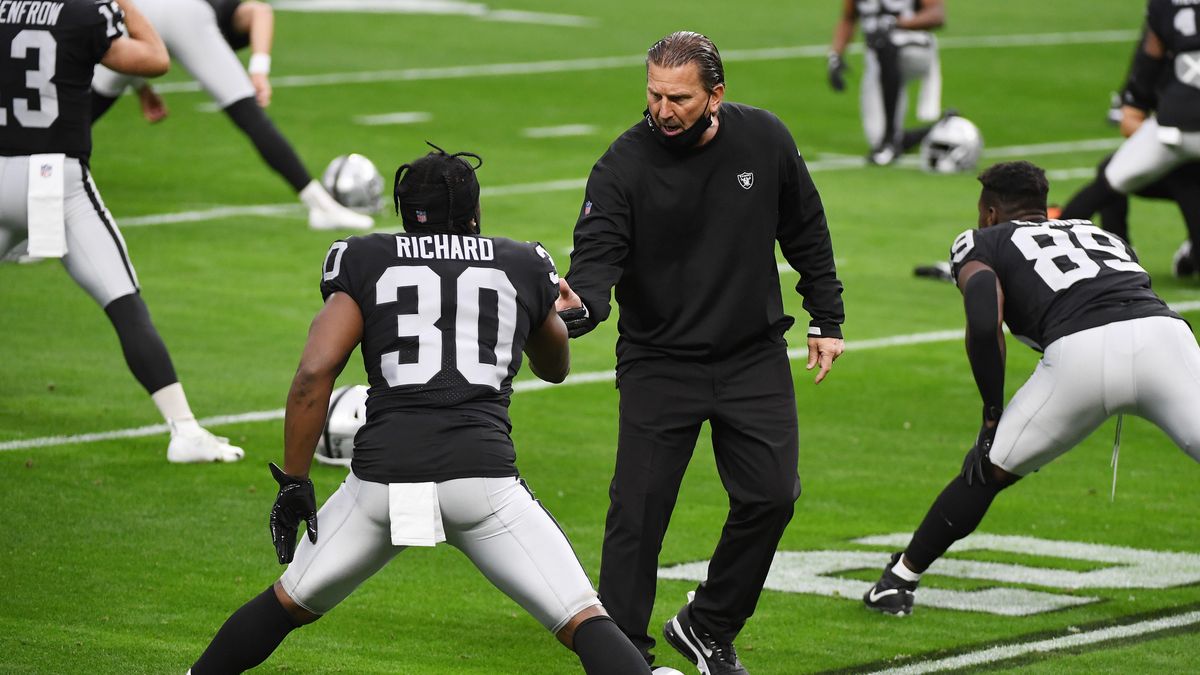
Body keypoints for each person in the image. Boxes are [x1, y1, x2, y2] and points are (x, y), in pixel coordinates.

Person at [188, 146, 652, 675]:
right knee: (584, 619)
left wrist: (295, 480)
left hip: (384, 484)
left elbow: (314, 373)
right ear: (476, 215)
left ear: (406, 216)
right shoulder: (523, 262)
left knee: (286, 603)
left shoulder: (363, 258)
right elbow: (554, 366)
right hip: (482, 483)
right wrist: (548, 312)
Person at [556, 31, 846, 675]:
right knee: (638, 512)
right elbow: (597, 260)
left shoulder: (764, 139)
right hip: (659, 363)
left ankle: (707, 625)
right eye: (654, 94)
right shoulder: (622, 166)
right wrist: (578, 310)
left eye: (679, 97)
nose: (663, 109)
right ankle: (623, 654)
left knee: (772, 495)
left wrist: (826, 315)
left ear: (717, 94)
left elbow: (806, 228)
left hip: (752, 357)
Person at [863, 161, 1200, 616]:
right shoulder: (1104, 236)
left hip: (1083, 351)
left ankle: (898, 581)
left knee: (990, 468)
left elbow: (985, 324)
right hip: (1165, 336)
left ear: (989, 212)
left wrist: (991, 414)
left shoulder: (981, 240)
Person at [0, 0, 243, 464]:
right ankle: (184, 430)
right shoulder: (81, 12)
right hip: (57, 178)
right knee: (124, 302)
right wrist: (126, 5)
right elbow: (155, 59)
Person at [88, 0, 373, 231]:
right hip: (185, 14)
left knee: (79, 116)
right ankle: (322, 207)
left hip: (134, 11)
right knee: (251, 117)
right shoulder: (225, 11)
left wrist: (142, 90)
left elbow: (144, 41)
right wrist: (259, 69)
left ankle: (45, 199)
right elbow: (260, 11)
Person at [1060, 0, 1200, 272]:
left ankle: (1047, 240)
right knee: (1185, 178)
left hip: (1172, 130)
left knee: (1107, 182)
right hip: (1176, 147)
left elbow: (1148, 62)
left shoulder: (1165, 8)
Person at [826, 0, 946, 165]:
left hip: (915, 46)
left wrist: (897, 24)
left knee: (886, 44)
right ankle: (941, 126)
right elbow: (848, 18)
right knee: (876, 136)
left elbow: (937, 15)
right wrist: (835, 56)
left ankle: (889, 140)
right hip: (877, 57)